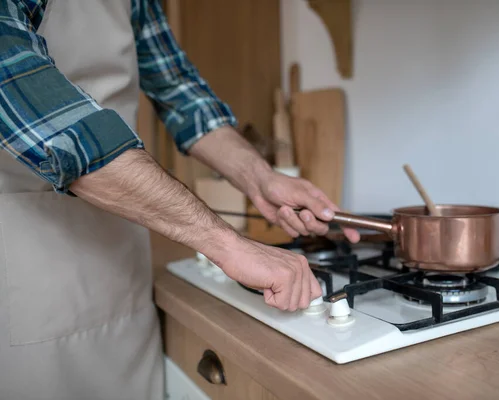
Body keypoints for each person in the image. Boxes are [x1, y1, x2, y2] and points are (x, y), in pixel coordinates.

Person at [0, 1, 359, 399]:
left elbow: (179, 90)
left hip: (120, 251)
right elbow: (46, 116)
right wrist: (227, 244)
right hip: (28, 259)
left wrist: (263, 179)